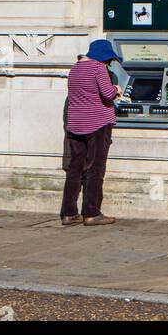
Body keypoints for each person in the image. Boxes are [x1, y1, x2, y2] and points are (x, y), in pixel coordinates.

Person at [60, 39, 125, 226]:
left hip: (75, 125)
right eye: (108, 60)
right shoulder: (98, 68)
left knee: (75, 168)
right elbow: (107, 94)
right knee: (95, 168)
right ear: (103, 56)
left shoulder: (75, 69)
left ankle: (69, 213)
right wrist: (116, 89)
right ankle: (91, 212)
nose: (108, 64)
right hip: (97, 124)